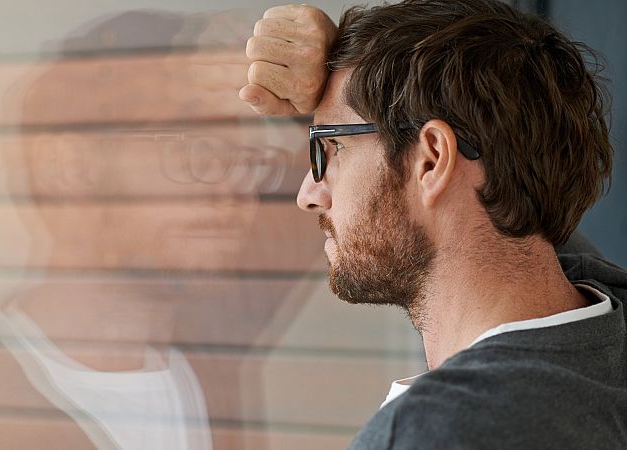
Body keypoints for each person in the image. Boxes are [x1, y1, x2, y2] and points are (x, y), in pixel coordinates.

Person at [240, 1, 627, 448]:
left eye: (330, 149)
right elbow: (513, 223)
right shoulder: (601, 326)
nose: (308, 194)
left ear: (432, 159)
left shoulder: (433, 432)